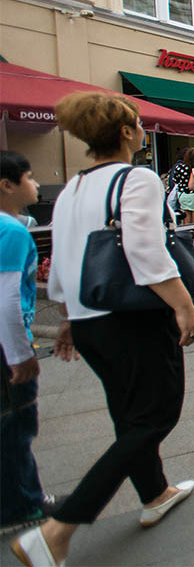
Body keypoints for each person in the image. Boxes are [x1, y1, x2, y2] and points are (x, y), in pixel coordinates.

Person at [22, 93, 194, 566]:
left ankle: (155, 493)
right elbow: (146, 252)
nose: (142, 130)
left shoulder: (72, 189)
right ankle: (59, 530)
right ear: (126, 133)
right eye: (138, 124)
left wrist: (67, 318)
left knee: (129, 415)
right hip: (134, 319)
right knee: (155, 416)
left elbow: (61, 262)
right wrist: (185, 307)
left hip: (89, 321)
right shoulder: (137, 177)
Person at [0, 152, 63, 533]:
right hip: (7, 348)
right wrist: (21, 353)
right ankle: (23, 504)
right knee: (16, 426)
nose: (36, 185)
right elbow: (7, 298)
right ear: (7, 185)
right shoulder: (12, 232)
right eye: (29, 177)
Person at [176, 147, 194, 224]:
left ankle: (186, 233)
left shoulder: (179, 167)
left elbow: (175, 180)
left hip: (182, 194)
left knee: (186, 217)